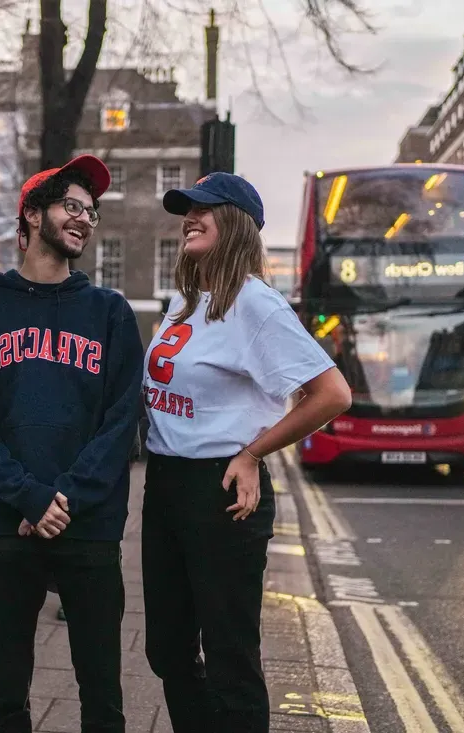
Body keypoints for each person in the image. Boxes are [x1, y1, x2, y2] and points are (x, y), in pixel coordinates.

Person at [141, 172, 353, 732]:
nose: (189, 216)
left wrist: (254, 453)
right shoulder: (184, 300)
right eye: (185, 209)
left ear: (235, 223)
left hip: (219, 493)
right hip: (164, 485)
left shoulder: (257, 305)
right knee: (166, 649)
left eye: (203, 208)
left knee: (231, 660)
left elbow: (332, 393)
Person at [0, 154, 144, 733]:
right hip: (9, 523)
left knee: (102, 691)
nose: (84, 219)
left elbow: (122, 419)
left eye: (91, 211)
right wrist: (28, 497)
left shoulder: (109, 312)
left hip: (88, 525)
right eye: (71, 206)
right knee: (6, 687)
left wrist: (62, 499)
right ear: (32, 214)